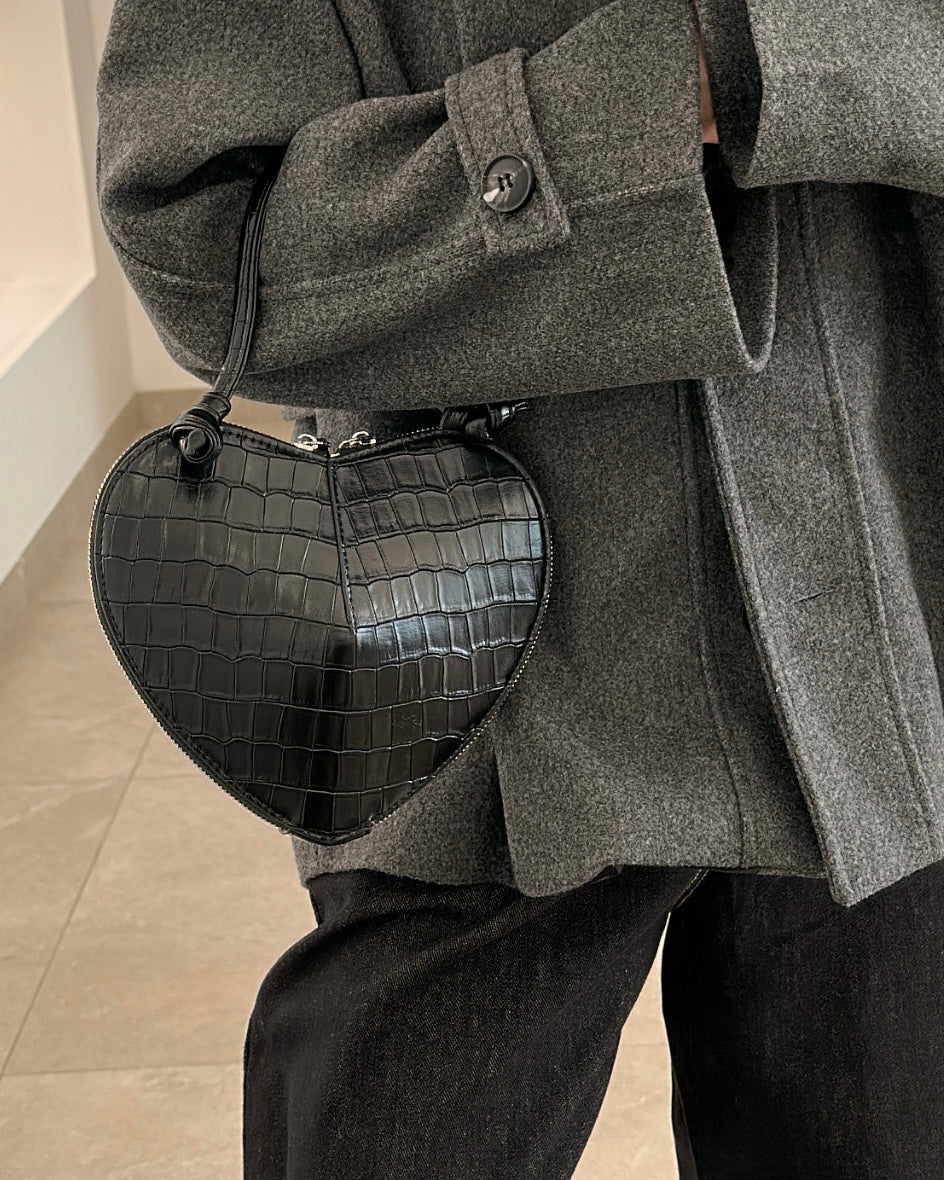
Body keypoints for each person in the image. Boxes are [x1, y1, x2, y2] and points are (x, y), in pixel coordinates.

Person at [95, 1, 944, 1175]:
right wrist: (649, 99)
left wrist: (791, 57)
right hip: (477, 688)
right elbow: (201, 247)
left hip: (884, 662)